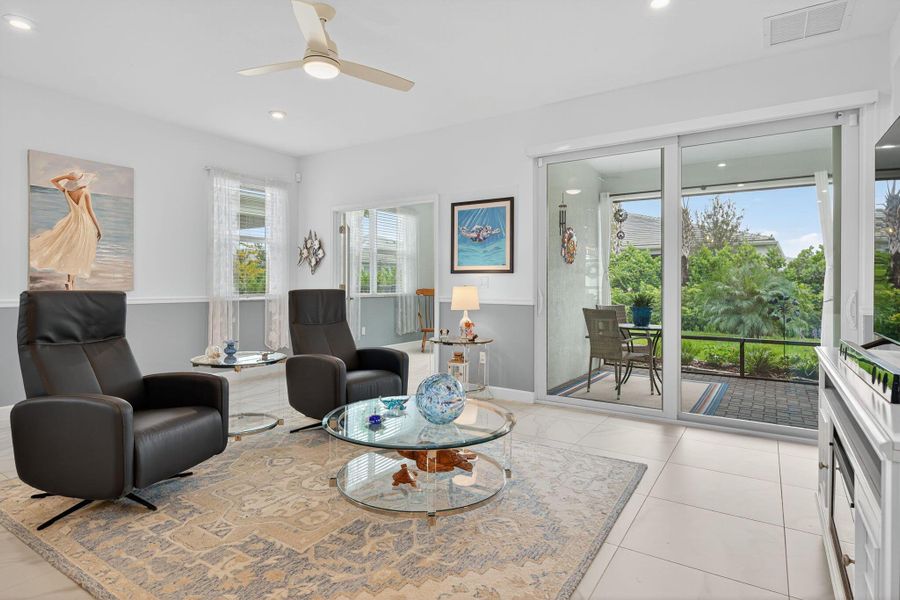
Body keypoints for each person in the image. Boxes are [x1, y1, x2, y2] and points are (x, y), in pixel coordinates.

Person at [29, 171, 102, 290]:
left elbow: (53, 181)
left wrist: (66, 177)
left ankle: (70, 282)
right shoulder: (85, 193)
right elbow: (90, 212)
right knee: (76, 252)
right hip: (83, 224)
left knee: (70, 251)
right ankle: (70, 282)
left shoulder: (67, 192)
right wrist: (98, 228)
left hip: (71, 222)